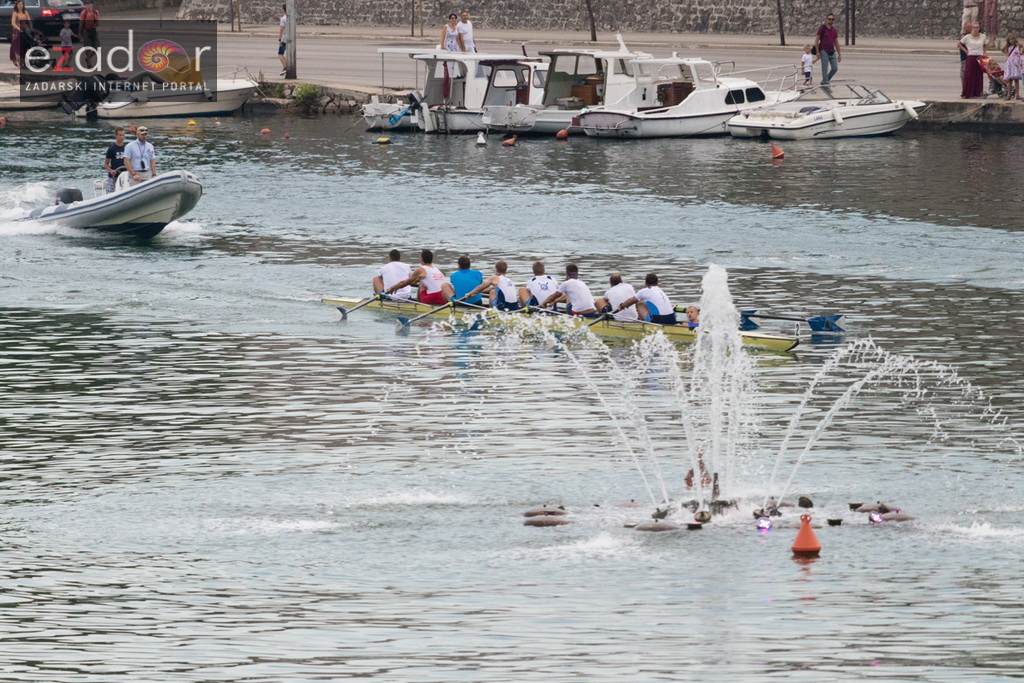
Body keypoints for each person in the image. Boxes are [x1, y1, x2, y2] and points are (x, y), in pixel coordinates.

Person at [613, 273, 677, 325]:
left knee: (639, 303)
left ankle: (643, 324)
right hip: (671, 319)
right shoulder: (661, 291)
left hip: (658, 321)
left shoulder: (645, 291)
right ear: (657, 283)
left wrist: (621, 306)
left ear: (645, 283)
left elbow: (630, 301)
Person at [960, 22, 988, 98]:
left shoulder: (983, 36)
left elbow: (985, 45)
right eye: (974, 27)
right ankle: (967, 92)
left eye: (977, 27)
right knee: (969, 75)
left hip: (979, 56)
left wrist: (985, 52)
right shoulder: (968, 37)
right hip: (970, 56)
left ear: (979, 28)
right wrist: (965, 50)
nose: (975, 29)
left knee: (978, 75)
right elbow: (959, 44)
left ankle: (977, 92)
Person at [814, 13, 841, 85]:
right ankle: (825, 83)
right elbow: (816, 40)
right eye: (829, 19)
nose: (831, 20)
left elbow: (836, 43)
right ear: (826, 20)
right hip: (824, 50)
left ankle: (825, 80)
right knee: (825, 68)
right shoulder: (822, 28)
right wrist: (817, 52)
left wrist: (839, 54)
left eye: (832, 19)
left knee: (835, 68)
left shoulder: (834, 30)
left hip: (832, 51)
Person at [103, 126, 126, 193]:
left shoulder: (127, 148)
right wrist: (111, 170)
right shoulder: (111, 149)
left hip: (124, 175)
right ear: (116, 136)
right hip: (113, 176)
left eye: (123, 135)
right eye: (120, 135)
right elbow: (106, 164)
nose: (122, 137)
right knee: (110, 192)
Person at [9, 1, 31, 69]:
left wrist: (31, 28)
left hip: (24, 30)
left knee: (24, 46)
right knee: (16, 45)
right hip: (17, 30)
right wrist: (19, 29)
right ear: (16, 5)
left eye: (21, 4)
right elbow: (13, 23)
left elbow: (29, 21)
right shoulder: (15, 13)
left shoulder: (25, 12)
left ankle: (23, 61)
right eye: (19, 4)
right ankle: (16, 59)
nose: (20, 5)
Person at [78, 1, 100, 69]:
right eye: (86, 4)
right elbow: (81, 23)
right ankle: (89, 63)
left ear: (92, 5)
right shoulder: (84, 13)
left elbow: (98, 22)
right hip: (86, 31)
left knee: (97, 47)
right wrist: (79, 33)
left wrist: (96, 24)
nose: (88, 6)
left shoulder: (96, 12)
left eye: (89, 4)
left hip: (93, 30)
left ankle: (88, 58)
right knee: (88, 48)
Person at [1003, 33, 1022, 99]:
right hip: (1010, 64)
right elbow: (1003, 50)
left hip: (1016, 64)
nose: (1011, 41)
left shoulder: (1018, 45)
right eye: (1010, 40)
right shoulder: (1008, 47)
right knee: (1009, 80)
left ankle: (1017, 95)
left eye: (1012, 39)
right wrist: (1007, 55)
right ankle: (1009, 95)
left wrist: (1020, 53)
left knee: (1016, 80)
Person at [278, 4, 287, 76]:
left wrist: (279, 39)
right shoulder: (291, 18)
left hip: (284, 39)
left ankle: (285, 67)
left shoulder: (283, 18)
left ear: (283, 10)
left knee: (280, 53)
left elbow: (281, 29)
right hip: (291, 38)